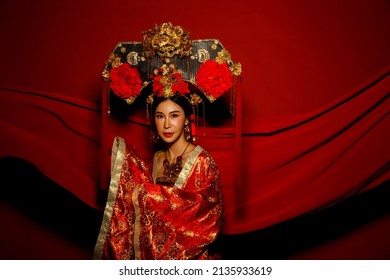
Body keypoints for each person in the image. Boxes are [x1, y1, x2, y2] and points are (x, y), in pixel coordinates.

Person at [93, 93, 224, 260]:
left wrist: (145, 194)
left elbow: (209, 221)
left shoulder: (203, 162)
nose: (167, 124)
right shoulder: (157, 159)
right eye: (160, 116)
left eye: (174, 116)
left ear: (186, 120)